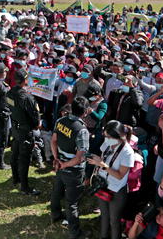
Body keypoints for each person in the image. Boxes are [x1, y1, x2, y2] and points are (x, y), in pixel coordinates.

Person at [88, 120, 136, 239]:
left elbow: (120, 175)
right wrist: (96, 160)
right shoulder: (107, 143)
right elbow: (103, 155)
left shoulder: (127, 152)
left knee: (114, 221)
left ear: (118, 137)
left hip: (117, 190)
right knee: (104, 215)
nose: (106, 139)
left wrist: (102, 165)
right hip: (103, 185)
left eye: (108, 137)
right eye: (105, 136)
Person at [51, 97, 91, 239]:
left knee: (57, 191)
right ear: (85, 112)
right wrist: (64, 164)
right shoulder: (82, 130)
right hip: (73, 170)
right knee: (72, 203)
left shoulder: (60, 121)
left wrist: (56, 159)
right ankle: (75, 233)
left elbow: (53, 141)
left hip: (61, 164)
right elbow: (80, 157)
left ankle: (55, 215)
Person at [8, 69, 41, 195]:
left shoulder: (9, 93)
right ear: (25, 80)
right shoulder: (28, 98)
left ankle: (15, 178)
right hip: (25, 131)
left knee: (15, 153)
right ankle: (25, 187)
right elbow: (36, 120)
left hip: (15, 128)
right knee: (24, 159)